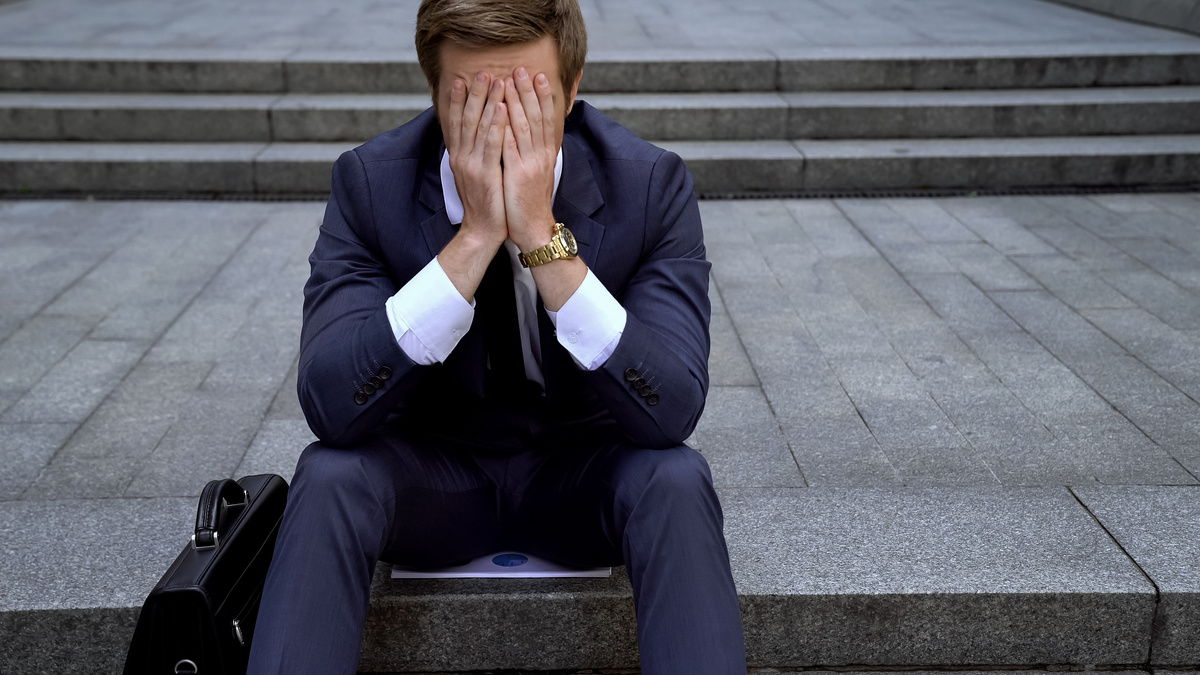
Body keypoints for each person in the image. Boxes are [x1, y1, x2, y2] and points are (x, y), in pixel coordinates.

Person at [246, 0, 747, 673]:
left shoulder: (650, 185)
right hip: (432, 476)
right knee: (330, 474)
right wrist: (476, 237)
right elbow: (333, 402)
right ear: (433, 96)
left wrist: (541, 236)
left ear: (572, 91)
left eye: (529, 96)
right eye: (475, 100)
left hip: (585, 474)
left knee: (677, 478)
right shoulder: (371, 183)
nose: (501, 122)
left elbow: (672, 406)